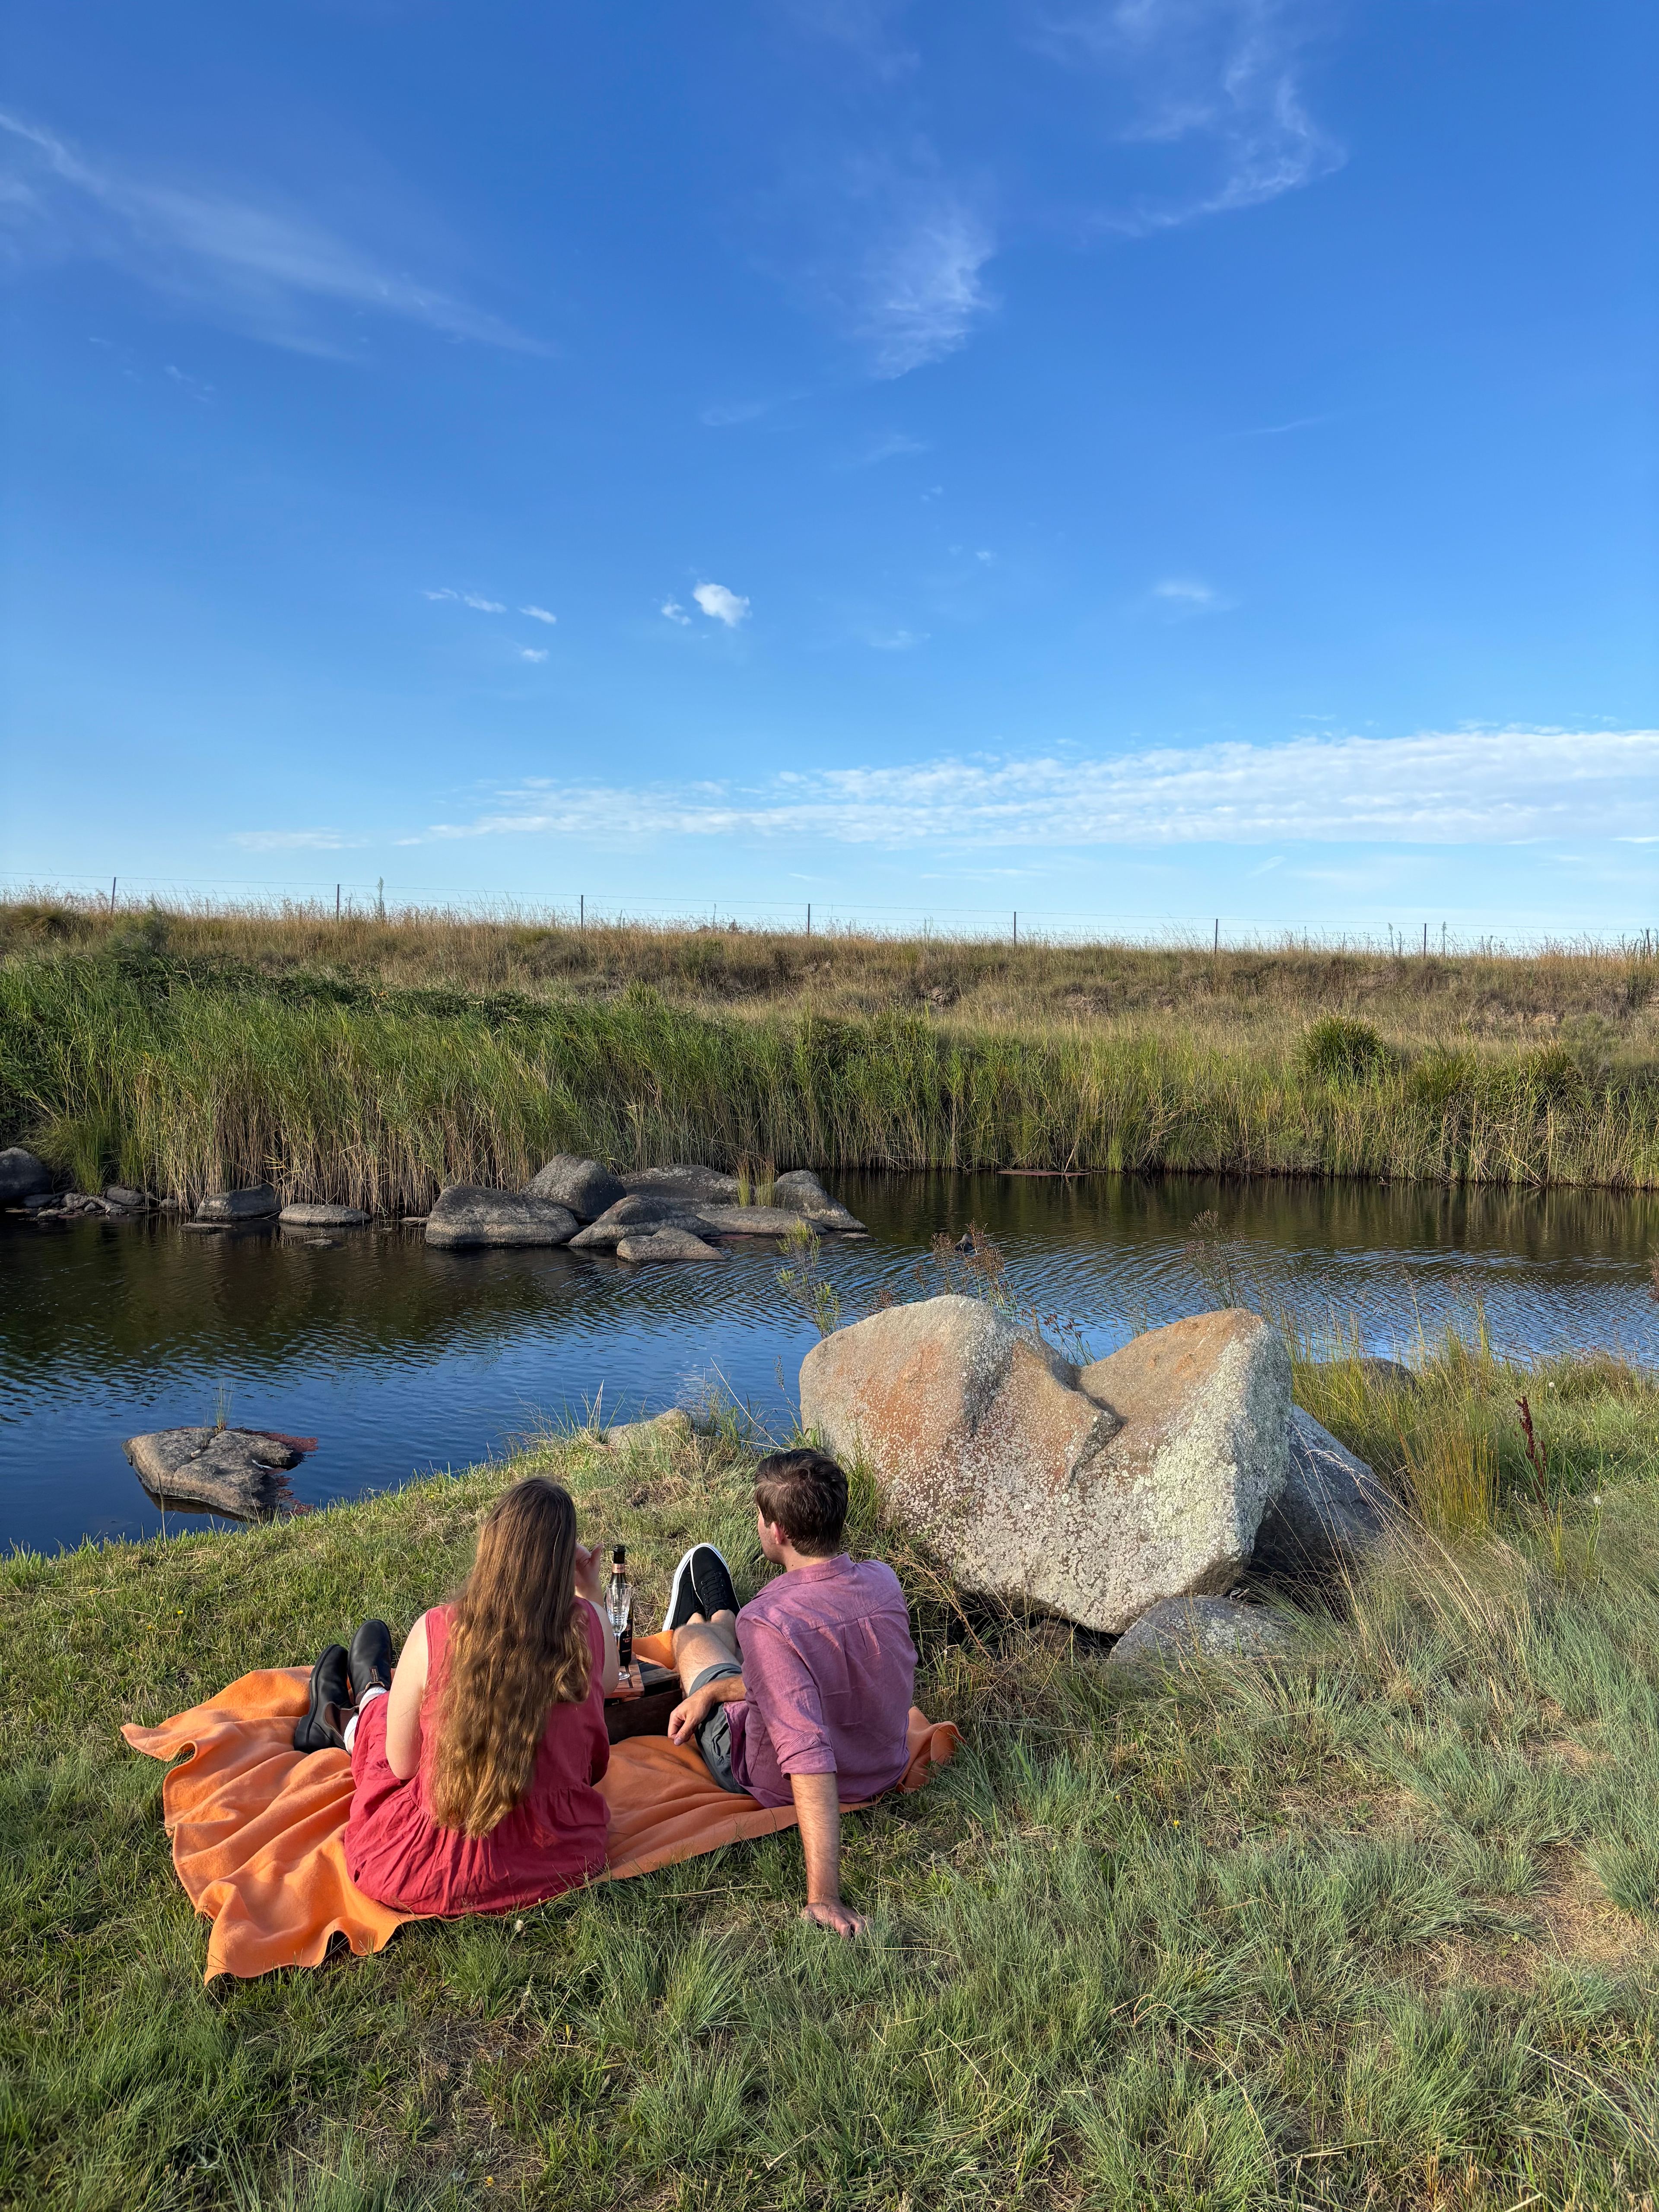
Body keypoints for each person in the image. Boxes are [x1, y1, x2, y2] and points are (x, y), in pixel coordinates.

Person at [292, 1476, 619, 1917]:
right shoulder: (590, 1626)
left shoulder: (437, 1630)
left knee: (386, 1724)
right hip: (560, 1855)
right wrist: (591, 1591)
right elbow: (611, 1681)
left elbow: (403, 1763)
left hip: (436, 1868)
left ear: (491, 1548)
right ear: (563, 1562)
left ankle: (358, 1702)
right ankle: (361, 1695)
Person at [661, 1447, 916, 1939]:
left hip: (770, 1776)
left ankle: (702, 1623)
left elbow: (807, 1757)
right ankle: (718, 1621)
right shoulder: (884, 1580)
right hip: (882, 1765)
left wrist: (824, 1896)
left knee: (691, 1640)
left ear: (776, 1530)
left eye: (760, 1516)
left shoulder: (771, 1619)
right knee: (731, 1656)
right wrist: (719, 1691)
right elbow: (815, 1684)